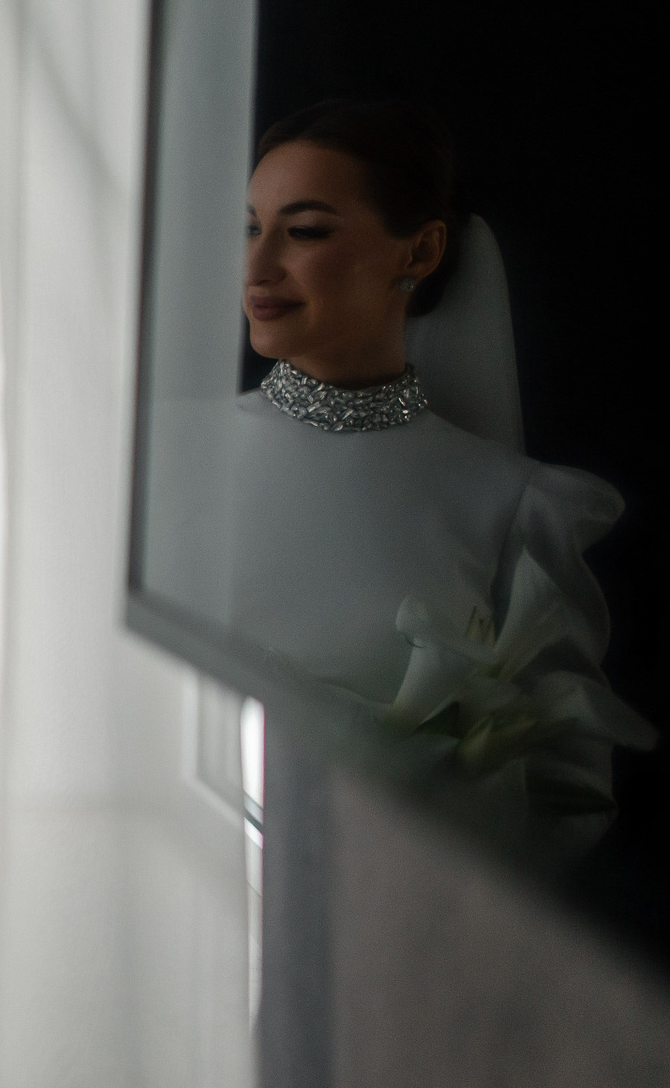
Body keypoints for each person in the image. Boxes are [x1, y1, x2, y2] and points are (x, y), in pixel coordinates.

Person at [229, 99, 649, 851]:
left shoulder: (515, 507)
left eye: (307, 231)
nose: (257, 269)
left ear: (419, 253)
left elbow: (569, 798)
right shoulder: (160, 449)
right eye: (250, 228)